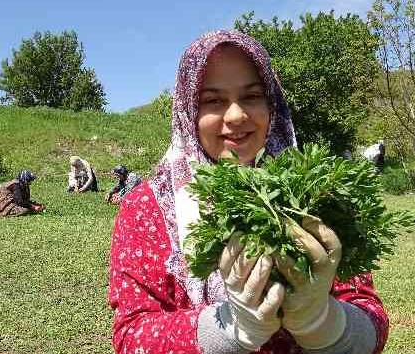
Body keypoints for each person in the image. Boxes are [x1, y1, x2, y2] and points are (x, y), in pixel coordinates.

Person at [108, 31, 388, 354]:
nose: (237, 115)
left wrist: (324, 323)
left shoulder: (318, 192)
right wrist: (227, 329)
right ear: (188, 112)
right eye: (212, 100)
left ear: (272, 104)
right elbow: (132, 336)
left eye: (252, 96)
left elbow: (371, 317)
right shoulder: (148, 207)